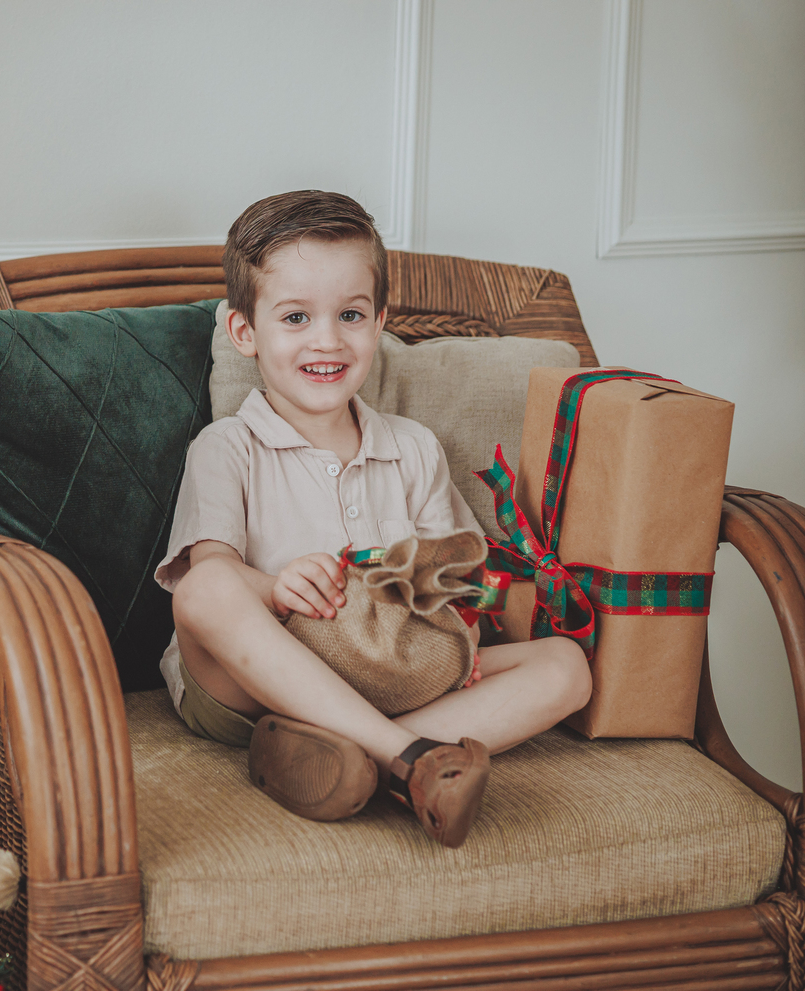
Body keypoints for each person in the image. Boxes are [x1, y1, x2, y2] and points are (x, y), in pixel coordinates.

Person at [154, 190, 591, 848]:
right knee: (205, 588)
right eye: (296, 316)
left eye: (350, 314)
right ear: (244, 330)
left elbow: (458, 576)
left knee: (567, 666)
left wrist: (457, 627)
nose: (326, 339)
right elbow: (212, 574)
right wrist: (274, 586)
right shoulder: (227, 447)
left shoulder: (412, 447)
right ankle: (411, 759)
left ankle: (345, 755)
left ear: (379, 321)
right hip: (250, 682)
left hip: (388, 667)